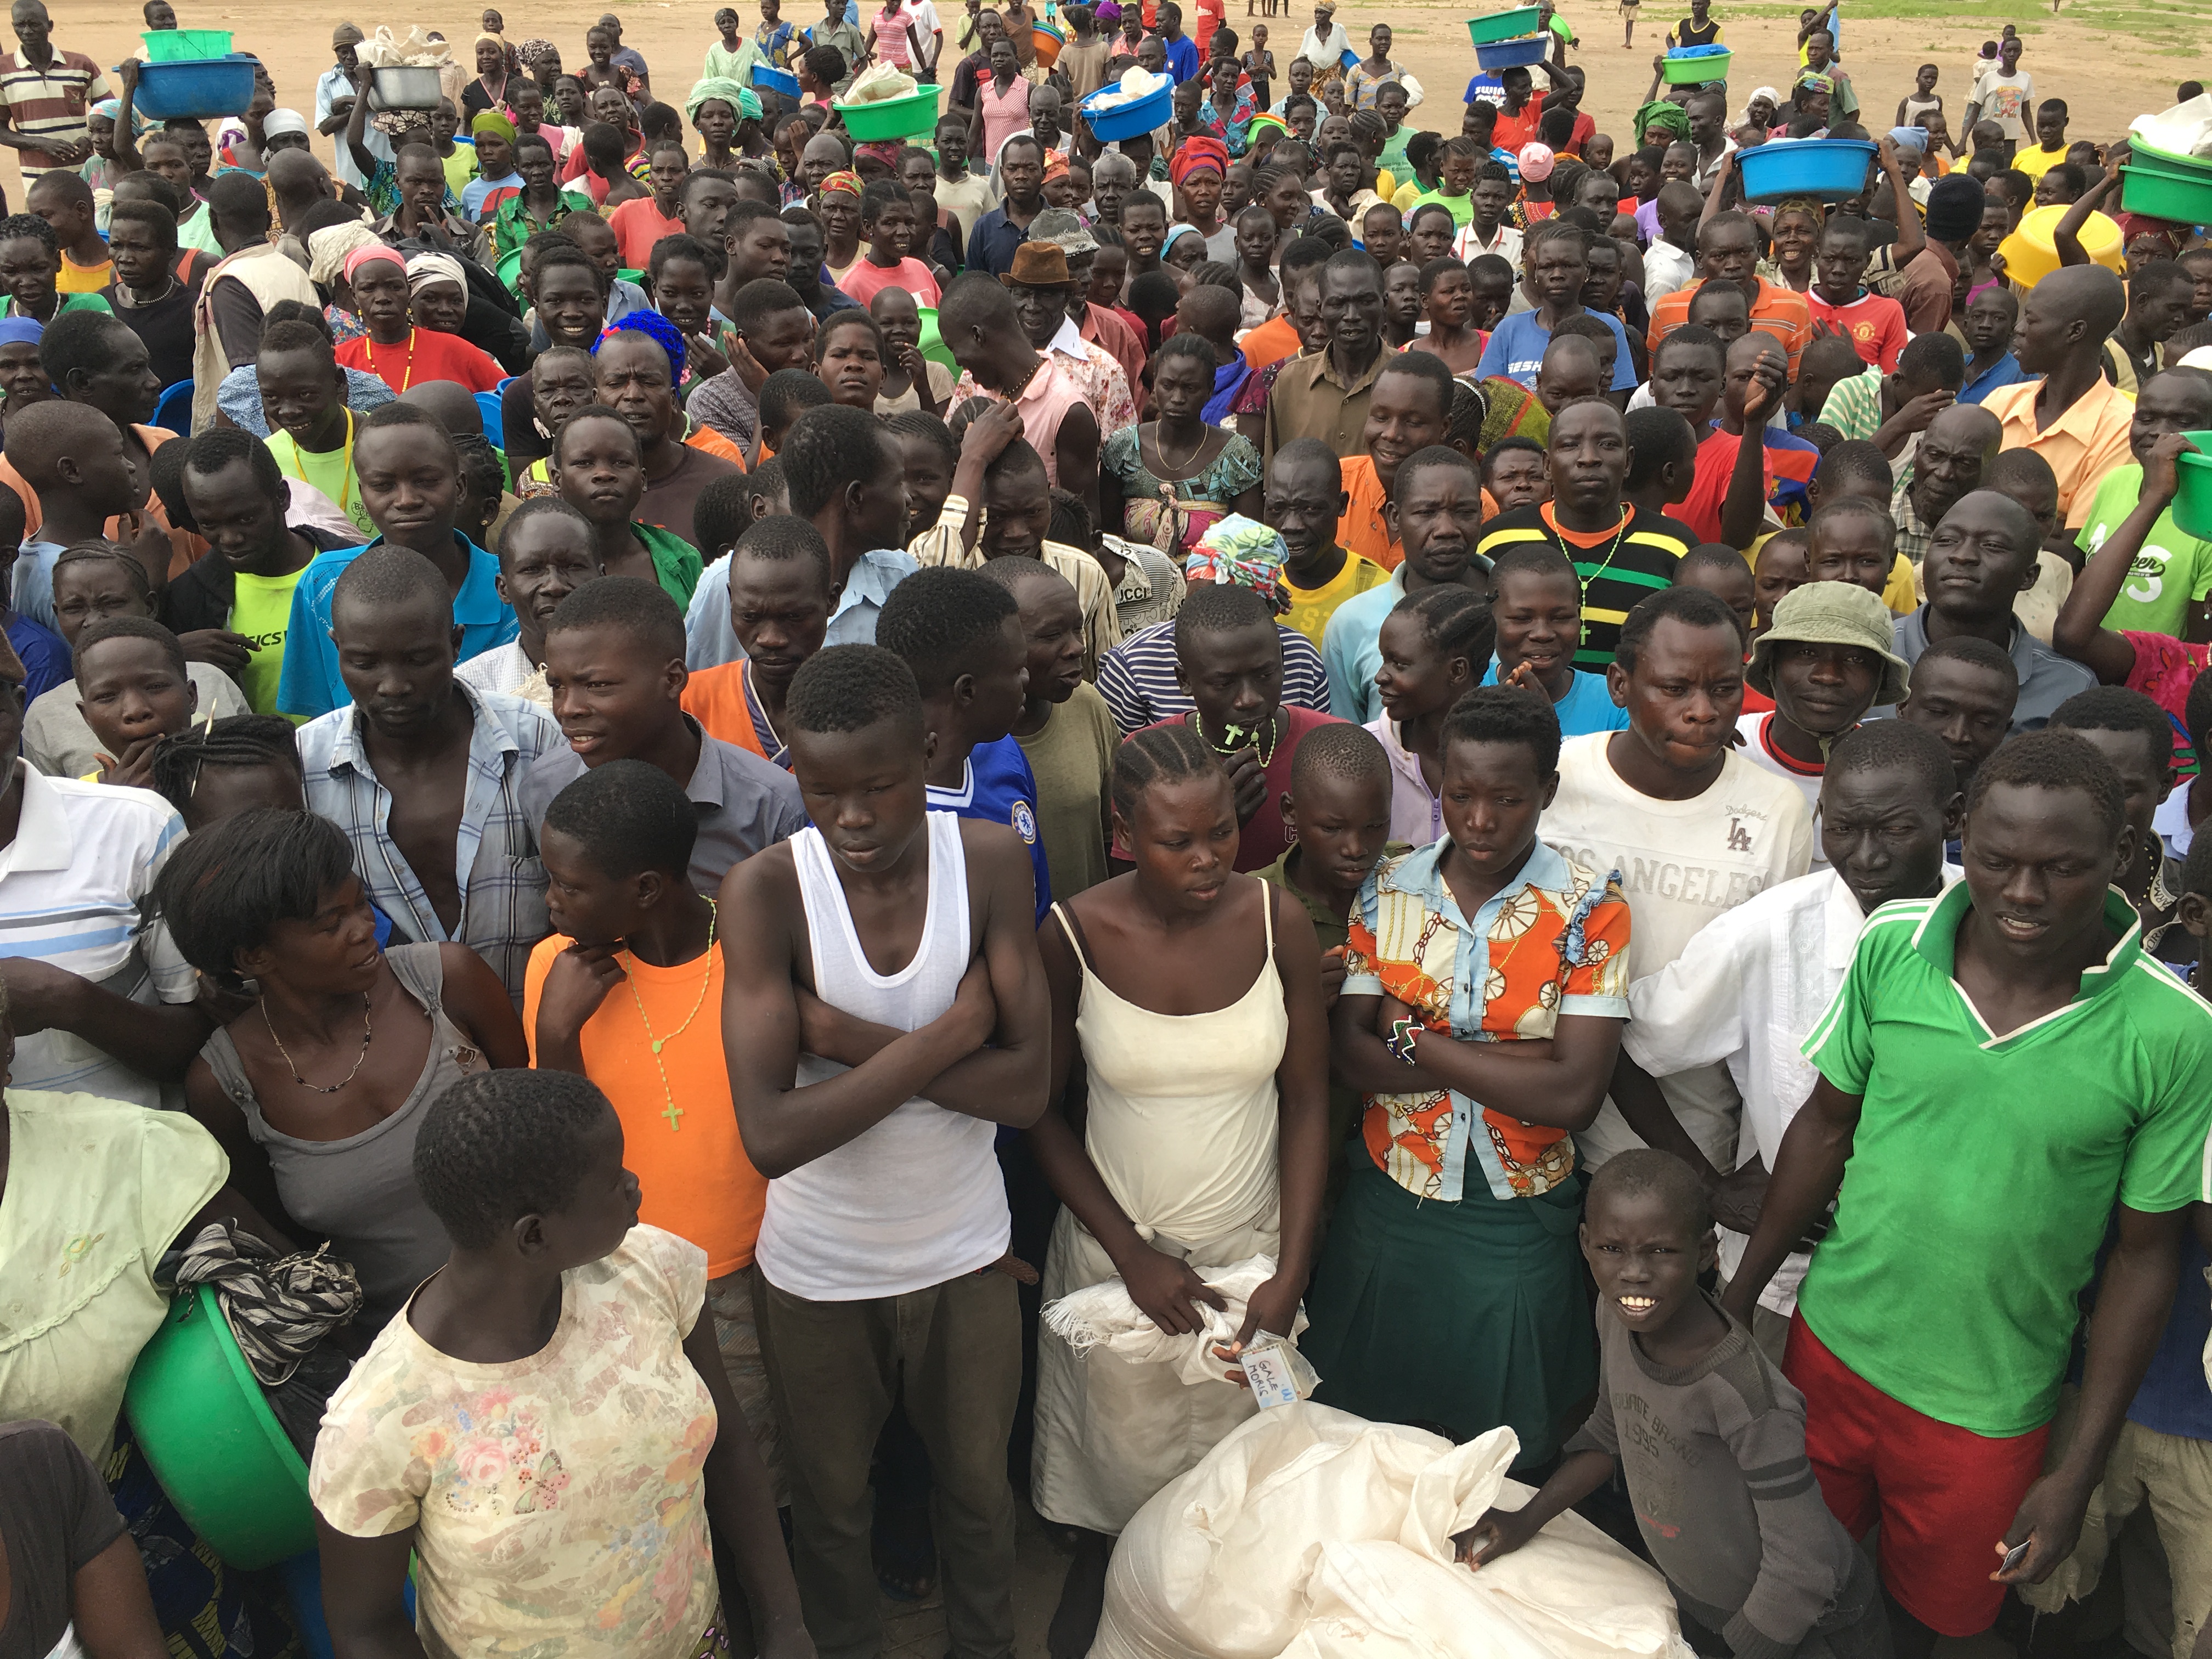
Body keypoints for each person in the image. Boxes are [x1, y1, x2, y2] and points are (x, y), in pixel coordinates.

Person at [1724, 730, 2212, 1658]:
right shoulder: (1892, 947)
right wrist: (1739, 1300)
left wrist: (2074, 1469)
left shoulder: (2175, 1032)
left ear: (2117, 856)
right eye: (1995, 861)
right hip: (1828, 1351)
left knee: (1931, 1624)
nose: (2022, 894)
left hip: (1987, 1408)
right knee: (1799, 1579)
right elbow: (1825, 1126)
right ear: (1962, 841)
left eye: (2059, 867)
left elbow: (2146, 1256)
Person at [718, 642, 1048, 1659]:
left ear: (930, 750)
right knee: (829, 1504)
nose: (852, 816)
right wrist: (952, 1034)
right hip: (819, 1265)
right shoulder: (766, 891)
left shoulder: (987, 859)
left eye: (879, 785)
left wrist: (850, 1038)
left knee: (977, 1491)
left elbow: (1029, 1091)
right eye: (823, 790)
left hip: (965, 1253)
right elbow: (771, 1135)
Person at [311, 1069, 811, 1659]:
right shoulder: (379, 1421)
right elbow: (366, 1628)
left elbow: (727, 1450)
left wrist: (784, 1621)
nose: (634, 1184)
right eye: (611, 1182)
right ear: (533, 1236)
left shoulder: (652, 1271)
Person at [1029, 719, 1330, 1654]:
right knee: (1124, 1488)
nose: (1207, 859)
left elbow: (1310, 1100)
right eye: (1177, 840)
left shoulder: (1277, 920)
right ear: (1124, 832)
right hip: (1121, 1273)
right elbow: (1037, 1109)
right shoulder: (1072, 934)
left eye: (1220, 833)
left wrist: (1288, 1271)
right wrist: (1130, 1252)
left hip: (1253, 1263)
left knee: (1243, 1496)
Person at [1300, 679, 1631, 1465]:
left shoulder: (1591, 908)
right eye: (1459, 795)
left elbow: (1576, 1094)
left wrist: (1413, 1039)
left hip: (1518, 1218)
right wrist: (1519, 1058)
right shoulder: (1387, 889)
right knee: (1359, 1444)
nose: (1479, 821)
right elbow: (1349, 1052)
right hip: (1390, 1205)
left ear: (1547, 791)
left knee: (1502, 1452)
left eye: (1508, 799)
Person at [1613, 720, 1963, 1365]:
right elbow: (1626, 1042)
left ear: (1952, 817)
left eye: (1894, 830)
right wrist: (1709, 1187)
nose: (1867, 856)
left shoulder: (1990, 936)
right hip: (1787, 1288)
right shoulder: (1768, 934)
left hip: (1939, 1292)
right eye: (1842, 828)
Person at [1459, 1148, 1887, 1656]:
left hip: (1808, 1631)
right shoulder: (1617, 1317)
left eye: (1661, 1252)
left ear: (1706, 1251)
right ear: (1585, 1245)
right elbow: (1607, 1434)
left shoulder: (1744, 1394)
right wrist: (1526, 1518)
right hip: (1708, 1606)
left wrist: (1736, 1649)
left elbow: (1804, 1566)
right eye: (1612, 1249)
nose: (1634, 1273)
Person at [157, 805, 527, 1330]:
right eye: (332, 924)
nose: (365, 930)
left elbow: (546, 1127)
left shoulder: (447, 982)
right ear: (254, 957)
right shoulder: (225, 1084)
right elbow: (292, 1246)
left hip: (551, 1295)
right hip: (399, 1354)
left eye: (361, 905)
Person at [526, 758, 786, 1487]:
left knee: (761, 1467)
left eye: (569, 886)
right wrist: (555, 1037)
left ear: (644, 890)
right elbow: (553, 1147)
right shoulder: (558, 972)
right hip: (623, 1279)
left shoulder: (751, 957)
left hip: (752, 1270)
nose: (551, 902)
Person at [1540, 584, 1815, 1173]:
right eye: (1675, 689)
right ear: (1620, 686)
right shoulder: (1556, 777)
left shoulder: (1776, 811)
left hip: (1690, 1140)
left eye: (1723, 690)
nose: (1703, 711)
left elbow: (1770, 998)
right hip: (1535, 1133)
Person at [526, 575, 806, 896]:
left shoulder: (774, 809)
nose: (568, 709)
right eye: (557, 686)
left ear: (673, 679)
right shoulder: (544, 787)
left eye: (597, 685)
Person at [279, 405, 520, 720]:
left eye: (427, 481)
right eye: (383, 486)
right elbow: (321, 720)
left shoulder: (512, 589)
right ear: (363, 492)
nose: (406, 500)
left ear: (460, 487)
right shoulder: (324, 585)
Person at [1124, 581, 1342, 873]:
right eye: (1224, 683)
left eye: (1265, 674)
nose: (1249, 700)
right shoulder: (1146, 759)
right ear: (1185, 680)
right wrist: (1213, 826)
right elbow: (1133, 888)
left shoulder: (1333, 745)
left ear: (1283, 662)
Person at [876, 565, 1051, 916]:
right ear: (967, 691)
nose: (1027, 679)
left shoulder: (1003, 751)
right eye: (1016, 669)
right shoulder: (876, 821)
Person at [1477, 399, 1701, 673]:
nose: (1589, 458)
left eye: (1607, 444)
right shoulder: (1497, 540)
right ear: (1547, 465)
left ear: (1628, 461)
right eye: (1570, 445)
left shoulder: (1676, 546)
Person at [685, 404, 917, 665]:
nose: (908, 498)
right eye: (898, 483)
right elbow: (699, 690)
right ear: (856, 498)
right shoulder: (730, 581)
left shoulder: (900, 576)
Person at [1735, 580, 1910, 864]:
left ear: (1880, 680)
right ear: (1771, 666)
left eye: (1855, 659)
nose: (1828, 675)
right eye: (1806, 653)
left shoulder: (1898, 780)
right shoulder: (1724, 751)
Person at [1895, 487, 2094, 734]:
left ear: (2028, 576)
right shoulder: (1870, 654)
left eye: (1992, 545)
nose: (1962, 556)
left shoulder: (2070, 687)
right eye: (1947, 541)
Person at [981, 557, 1119, 900]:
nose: (1077, 648)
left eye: (1078, 628)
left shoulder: (1088, 705)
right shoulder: (960, 742)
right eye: (1052, 635)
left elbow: (1115, 839)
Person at [1322, 444, 1489, 723]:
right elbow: (1347, 739)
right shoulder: (1351, 623)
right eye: (1426, 513)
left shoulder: (1523, 611)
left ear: (1481, 513)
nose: (1447, 529)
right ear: (1395, 517)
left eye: (1464, 512)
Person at [1978, 265, 2135, 533]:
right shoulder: (2001, 402)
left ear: (2075, 332)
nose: (2019, 329)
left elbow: (2075, 546)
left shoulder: (2121, 429)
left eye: (2032, 319)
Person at [2072, 370, 2212, 641]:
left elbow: (2195, 652)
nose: (2159, 432)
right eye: (2146, 419)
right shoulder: (2115, 481)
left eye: (2183, 421)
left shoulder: (2205, 522)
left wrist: (2159, 494)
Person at [683, 511, 832, 766]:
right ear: (731, 600)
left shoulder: (869, 709)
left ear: (832, 600)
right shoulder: (688, 704)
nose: (771, 639)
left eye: (794, 616)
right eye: (750, 616)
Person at [1366, 584, 1491, 846]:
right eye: (1383, 660)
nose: (1380, 676)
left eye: (1399, 664)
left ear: (1457, 671)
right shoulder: (1363, 751)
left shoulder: (1505, 761)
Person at [549, 403, 704, 608]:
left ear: (643, 479)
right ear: (557, 480)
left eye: (621, 462)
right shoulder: (536, 568)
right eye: (585, 463)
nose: (604, 474)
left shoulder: (683, 560)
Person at [455, 496, 603, 703]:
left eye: (573, 566)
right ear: (503, 589)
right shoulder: (469, 693)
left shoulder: (642, 676)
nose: (554, 585)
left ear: (602, 578)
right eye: (532, 570)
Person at [1482, 543, 1631, 740]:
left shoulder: (1616, 701)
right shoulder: (1465, 692)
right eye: (1522, 619)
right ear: (1490, 618)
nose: (1543, 634)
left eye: (1560, 618)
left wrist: (1546, 726)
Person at [1264, 249, 1393, 461]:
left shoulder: (1410, 380)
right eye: (1338, 304)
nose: (1351, 316)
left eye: (1365, 302)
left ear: (1385, 304)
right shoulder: (1290, 383)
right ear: (1321, 308)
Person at [1477, 225, 1637, 393]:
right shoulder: (1509, 330)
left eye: (1568, 266)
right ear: (1536, 270)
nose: (1557, 275)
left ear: (1586, 270)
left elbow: (1613, 406)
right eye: (1547, 267)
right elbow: (1490, 398)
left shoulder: (1608, 328)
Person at [332, 246, 504, 396]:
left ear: (409, 291)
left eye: (394, 287)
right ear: (354, 296)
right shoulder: (341, 360)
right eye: (368, 289)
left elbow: (511, 397)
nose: (382, 298)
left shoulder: (456, 350)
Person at [1267, 438, 1389, 648]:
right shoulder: (1251, 580)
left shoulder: (1379, 593)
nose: (1291, 525)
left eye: (1311, 509)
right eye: (1278, 509)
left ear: (1341, 505)